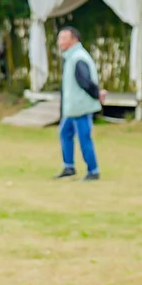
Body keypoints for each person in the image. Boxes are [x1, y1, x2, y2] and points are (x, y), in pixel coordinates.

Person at [55, 27, 102, 182]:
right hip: (72, 108)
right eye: (59, 38)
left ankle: (93, 170)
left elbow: (85, 81)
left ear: (74, 40)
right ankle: (69, 166)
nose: (60, 42)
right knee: (65, 133)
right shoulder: (71, 57)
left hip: (81, 107)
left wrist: (97, 94)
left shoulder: (78, 58)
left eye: (64, 38)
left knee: (84, 138)